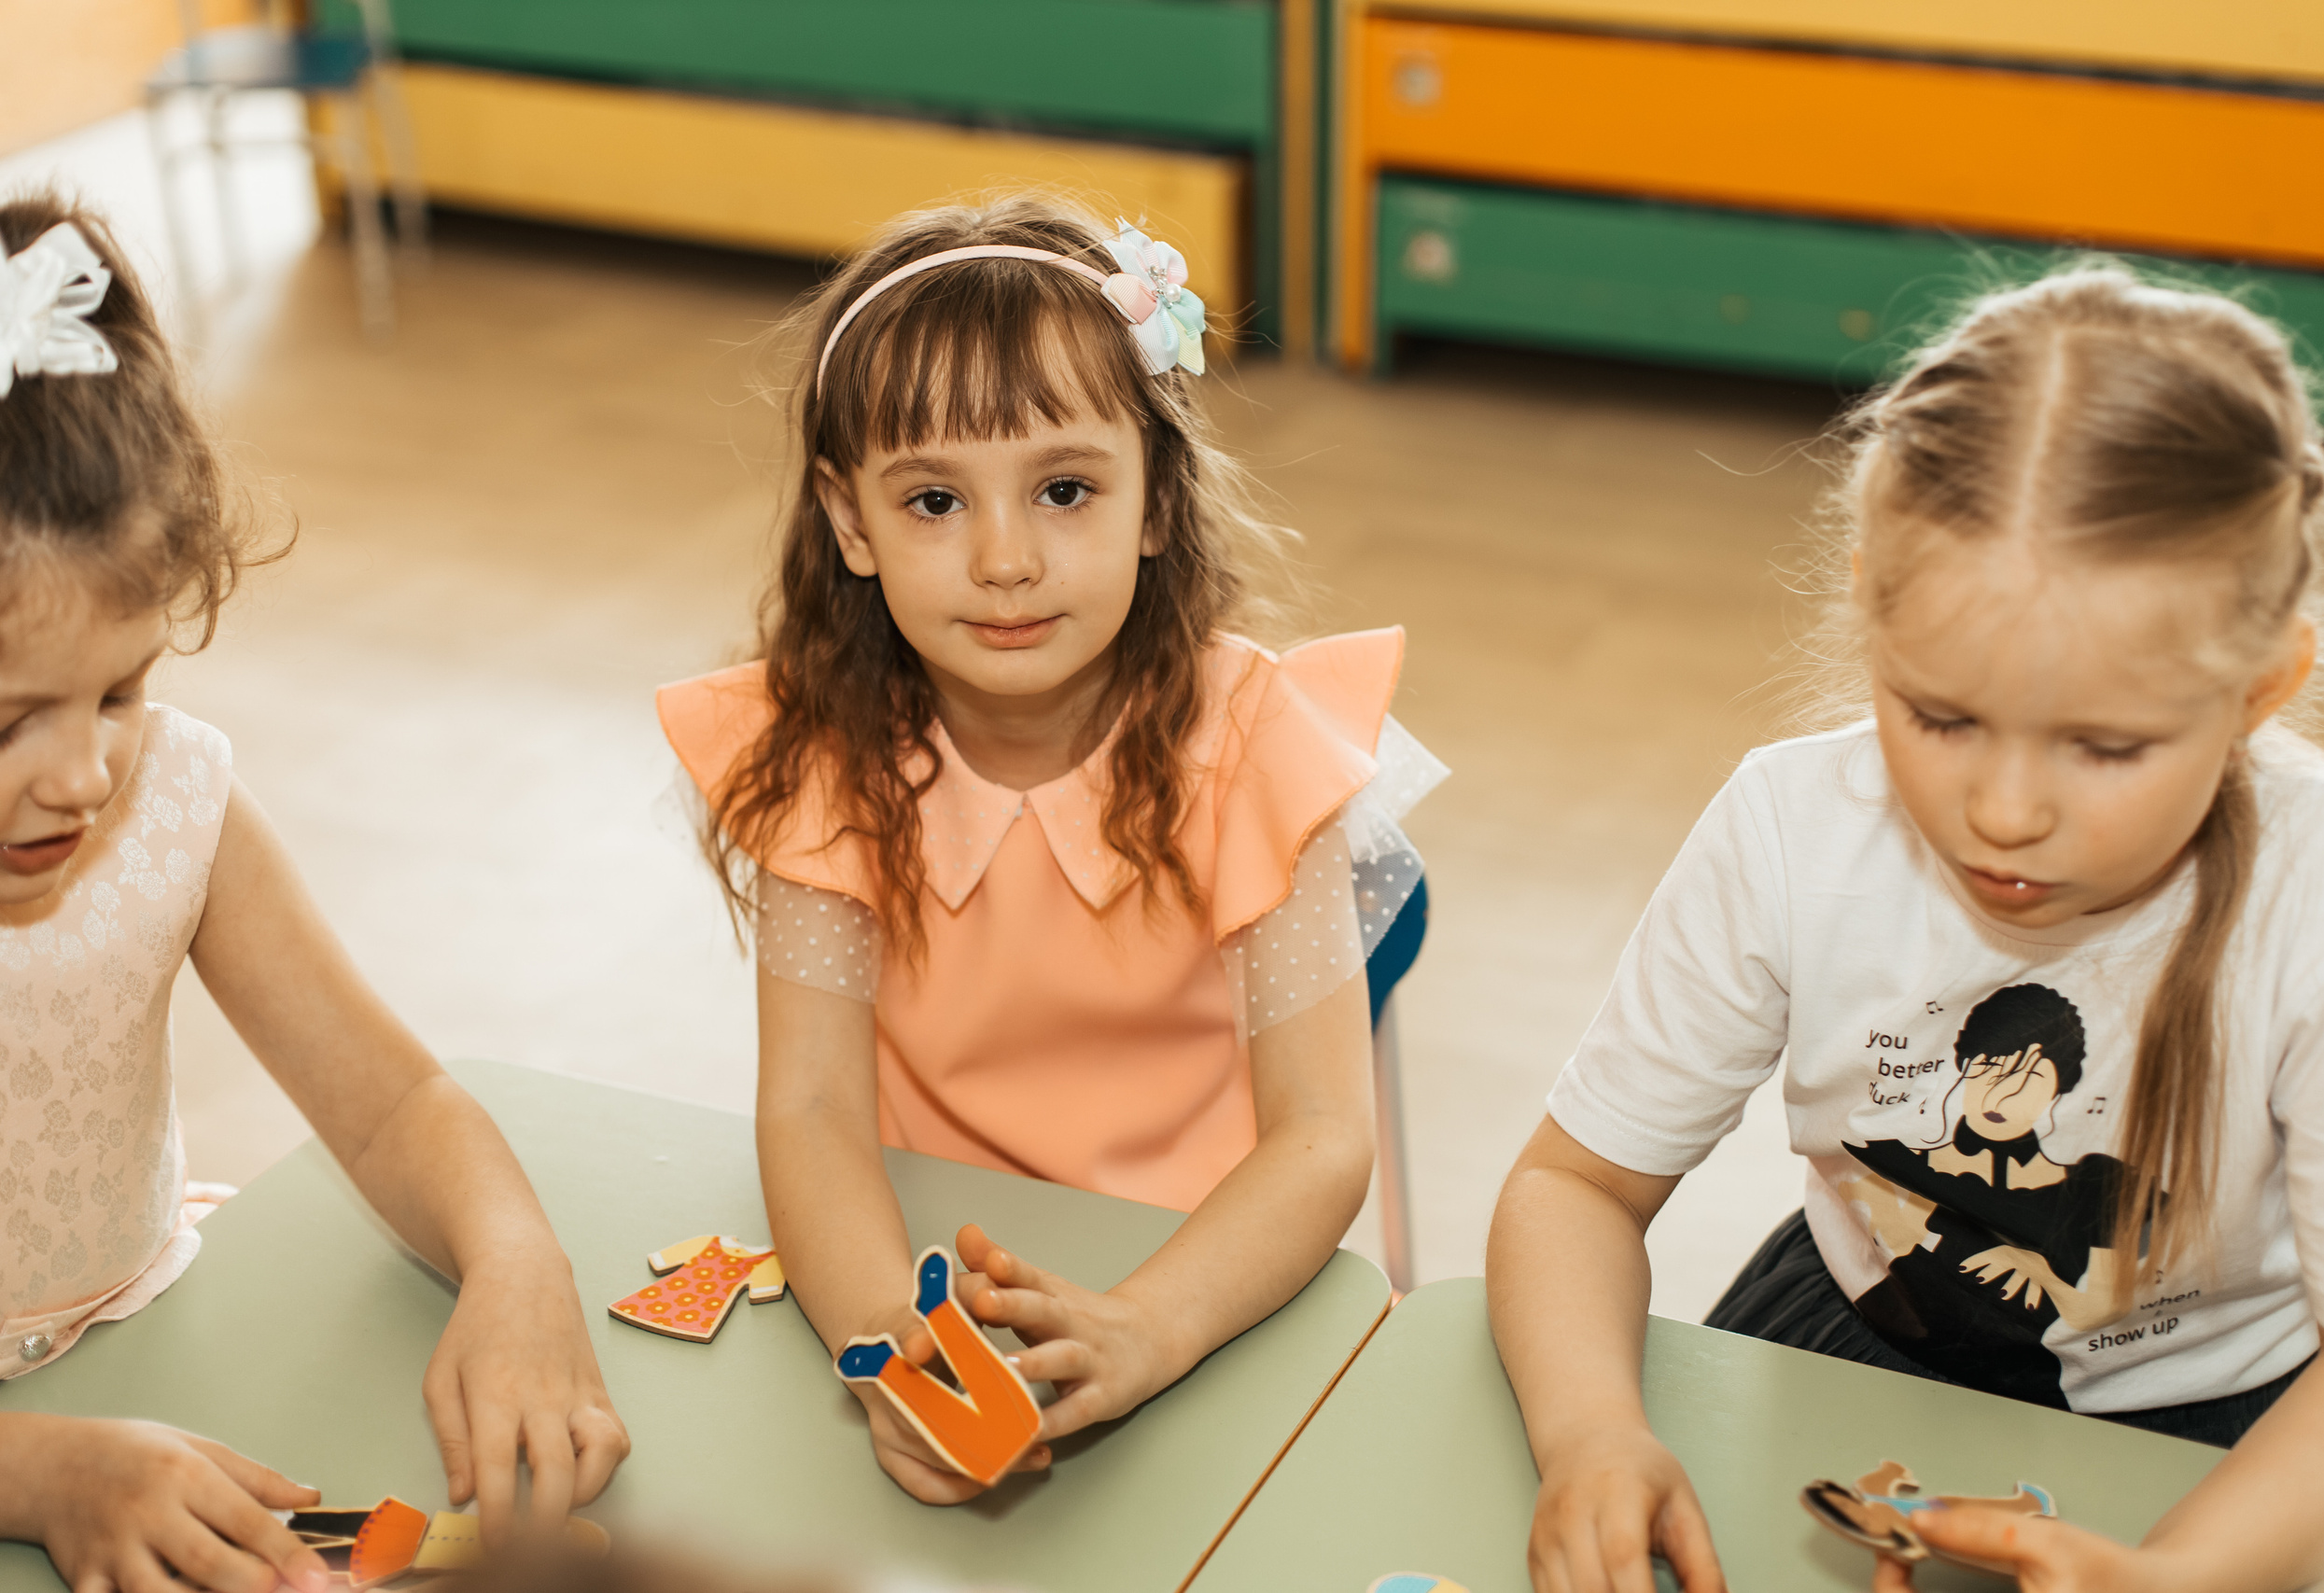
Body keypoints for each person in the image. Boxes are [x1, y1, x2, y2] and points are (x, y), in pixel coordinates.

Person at [1486, 266, 2324, 1593]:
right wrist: (1594, 1438)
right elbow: (1574, 1187)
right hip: (1857, 1344)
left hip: (2249, 1436)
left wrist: (2175, 1577)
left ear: (2263, 689)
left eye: (2105, 745)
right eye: (1942, 718)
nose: (2005, 812)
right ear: (1869, 616)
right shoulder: (1792, 828)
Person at [659, 194, 1441, 1502]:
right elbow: (808, 1112)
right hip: (921, 1256)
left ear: (1154, 500)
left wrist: (1153, 1323)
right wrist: (890, 1358)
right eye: (933, 502)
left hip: (1215, 1278)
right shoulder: (820, 757)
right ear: (850, 525)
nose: (1007, 559)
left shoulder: (1261, 747)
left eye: (1066, 488)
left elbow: (1318, 1138)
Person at [0, 195, 629, 1591]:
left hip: (154, 1340)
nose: (84, 775)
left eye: (123, 689)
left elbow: (395, 1104)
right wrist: (40, 1472)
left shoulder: (174, 803)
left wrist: (514, 1262)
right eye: (11, 723)